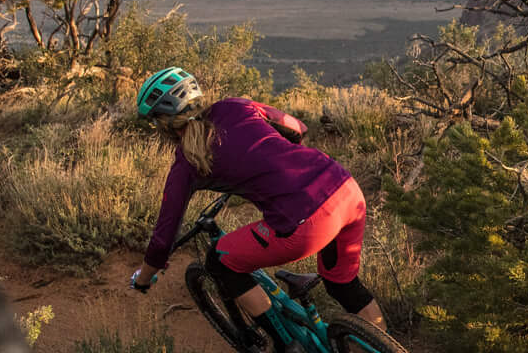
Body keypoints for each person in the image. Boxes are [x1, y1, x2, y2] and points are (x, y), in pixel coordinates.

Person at [126, 68, 385, 334]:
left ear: (163, 123)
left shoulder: (186, 165)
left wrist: (144, 279)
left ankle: (286, 344)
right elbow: (298, 129)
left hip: (307, 221)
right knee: (343, 285)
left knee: (218, 261)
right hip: (346, 189)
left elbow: (163, 237)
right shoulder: (234, 106)